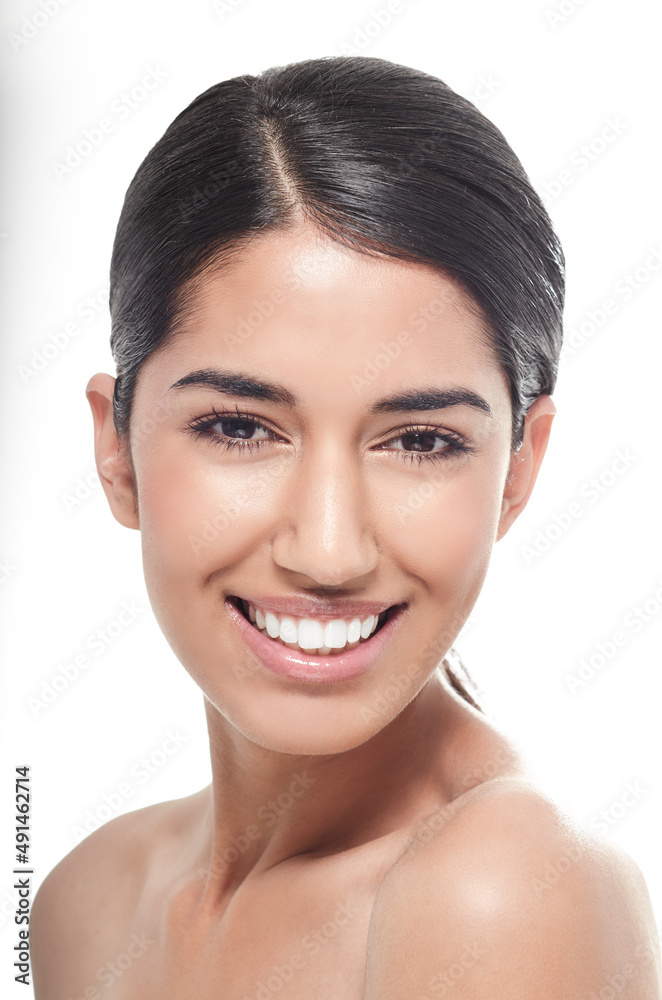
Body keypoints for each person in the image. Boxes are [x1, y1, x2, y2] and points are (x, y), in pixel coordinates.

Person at [31, 55, 661, 998]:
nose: (328, 549)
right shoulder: (83, 904)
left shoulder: (497, 893)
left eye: (419, 440)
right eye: (240, 428)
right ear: (115, 448)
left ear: (519, 470)